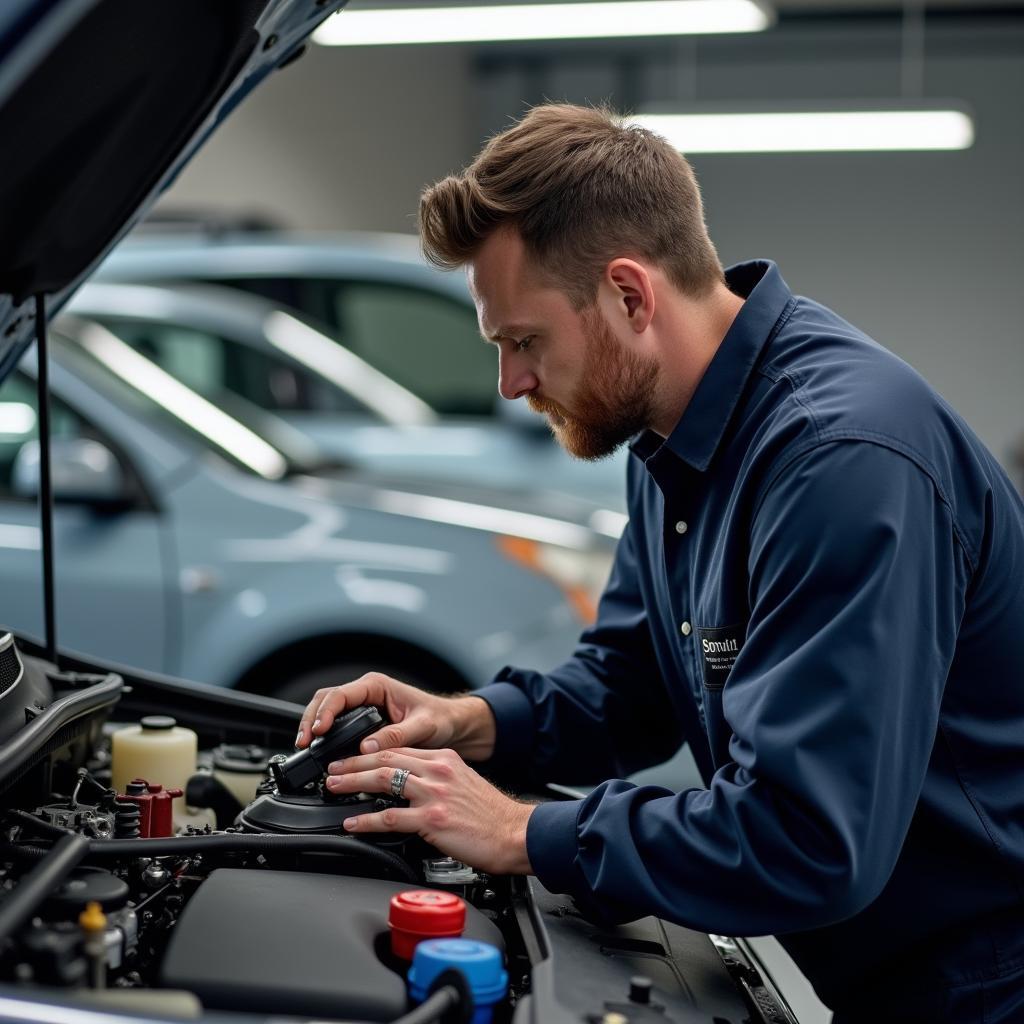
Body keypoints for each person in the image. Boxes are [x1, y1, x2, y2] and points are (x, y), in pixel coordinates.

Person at [295, 104, 1024, 1022]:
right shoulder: (674, 434)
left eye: (524, 341)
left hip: (983, 982)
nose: (510, 384)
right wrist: (467, 721)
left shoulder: (841, 461)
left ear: (630, 296)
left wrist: (522, 830)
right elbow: (635, 680)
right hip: (880, 965)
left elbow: (807, 838)